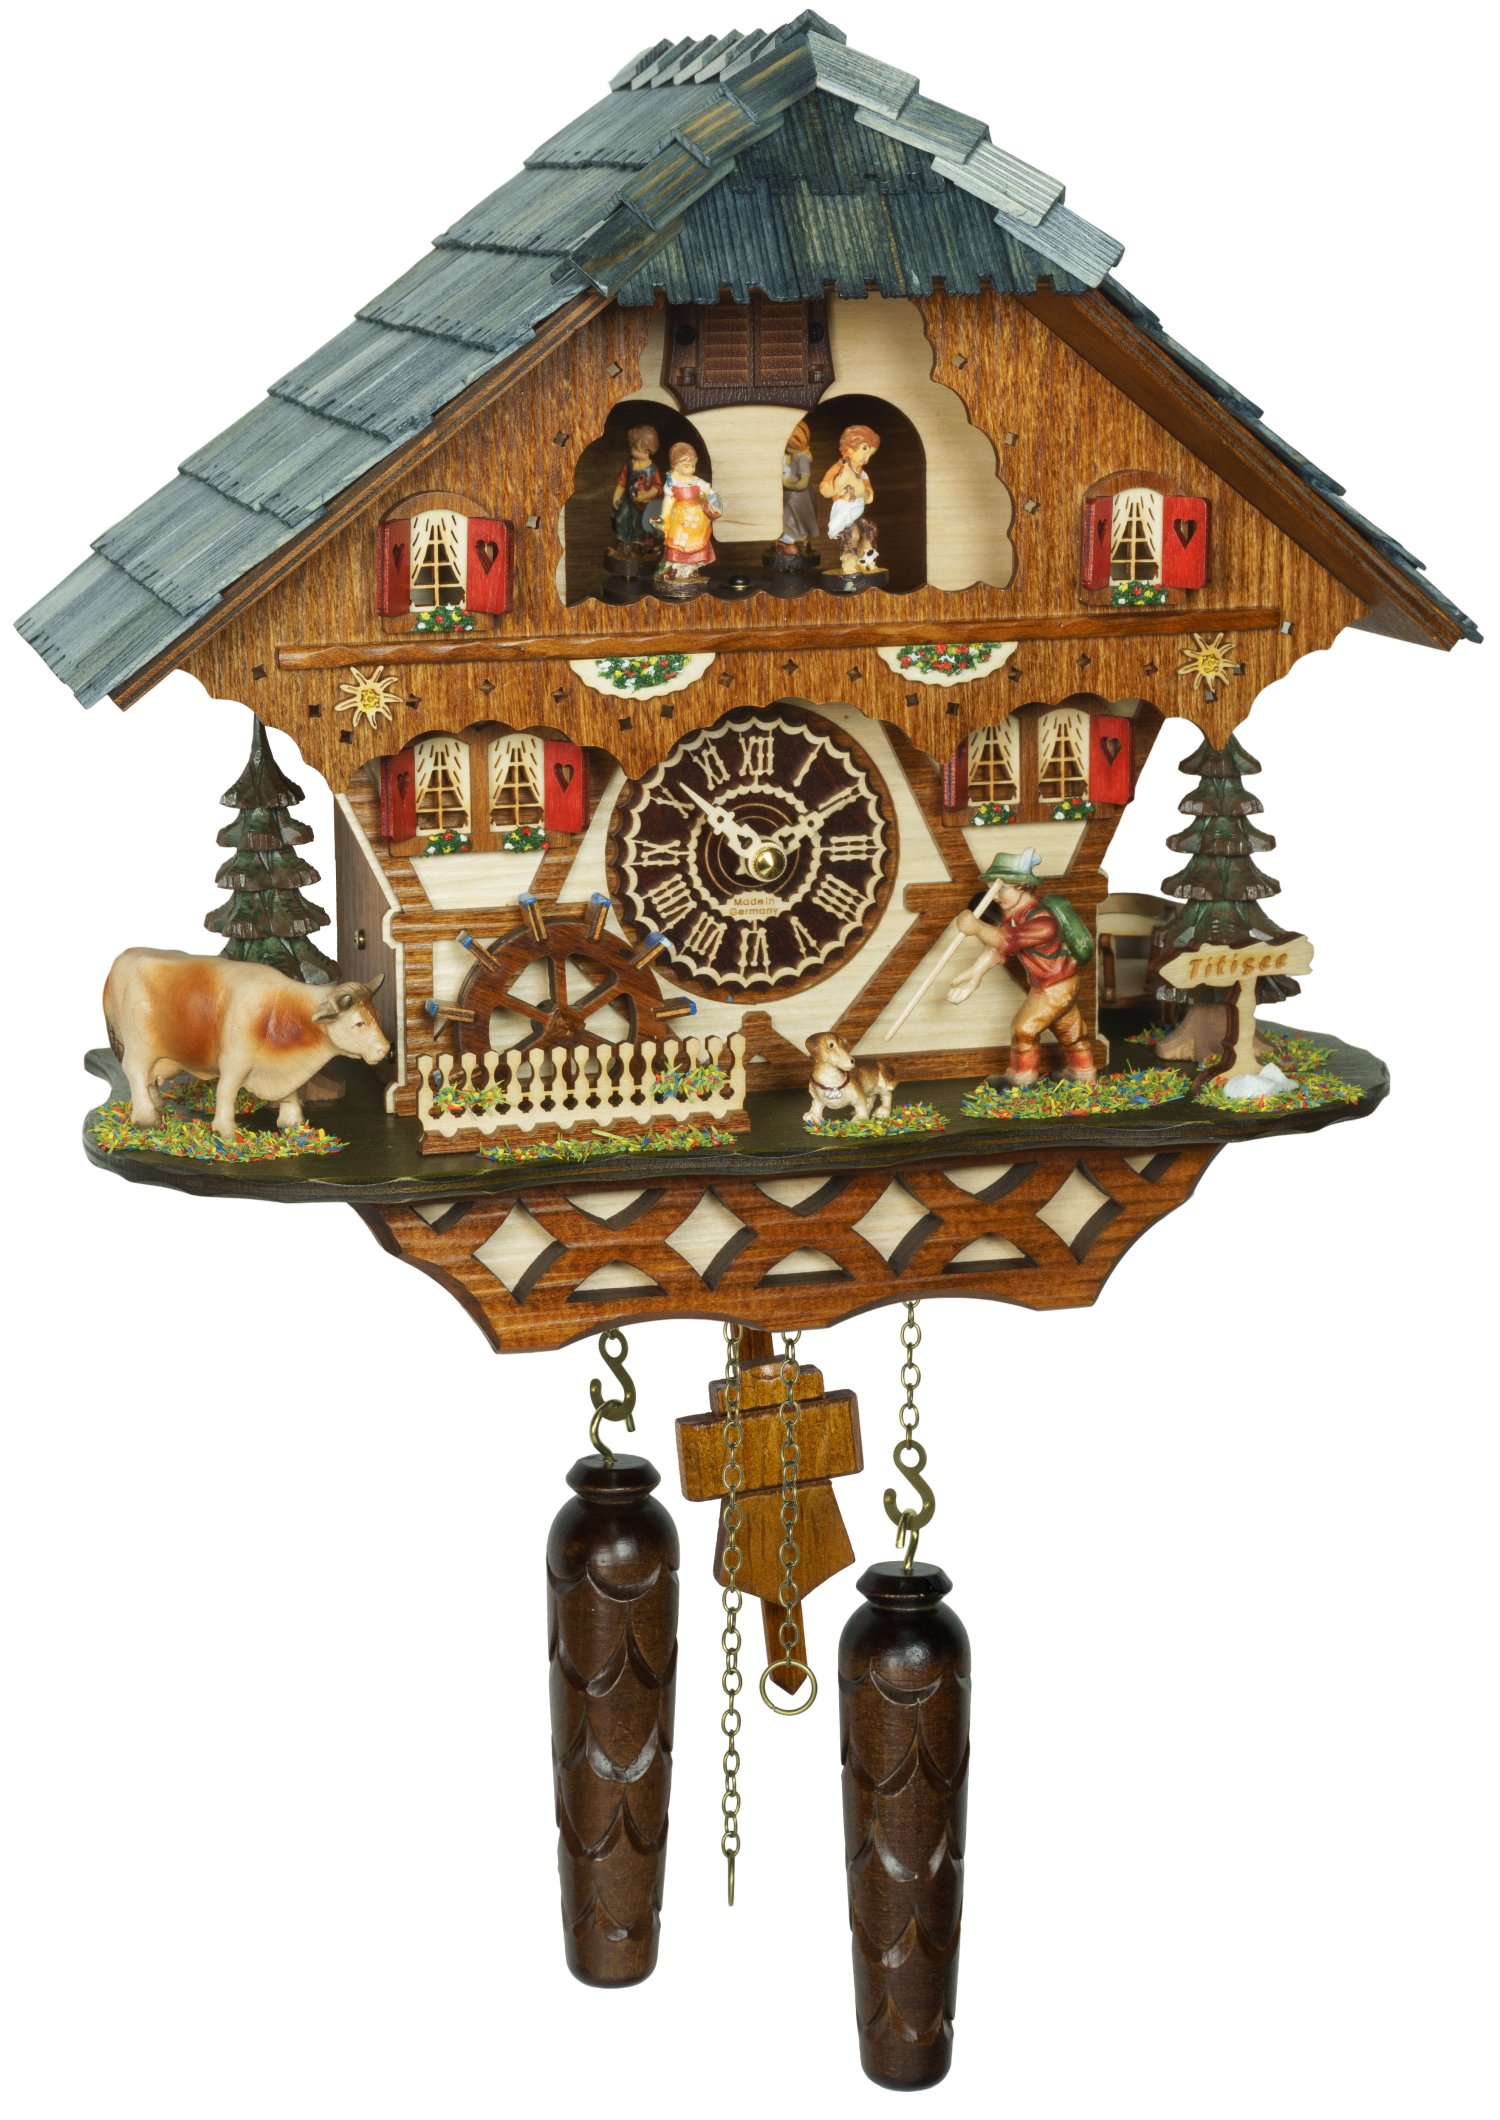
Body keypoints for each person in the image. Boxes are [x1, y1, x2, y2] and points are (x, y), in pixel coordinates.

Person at [947, 847, 1097, 1084]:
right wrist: (976, 972)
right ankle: (1083, 1072)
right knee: (1070, 1031)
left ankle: (1022, 1078)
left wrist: (977, 927)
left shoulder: (1042, 920)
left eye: (1000, 888)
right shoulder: (1014, 915)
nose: (994, 896)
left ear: (1021, 886)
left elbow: (1008, 941)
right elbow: (999, 948)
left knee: (1023, 1029)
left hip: (1054, 987)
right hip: (1059, 985)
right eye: (991, 889)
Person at [818, 423, 880, 574]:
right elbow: (825, 490)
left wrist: (862, 491)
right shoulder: (839, 469)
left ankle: (865, 560)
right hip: (844, 514)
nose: (866, 459)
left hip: (856, 513)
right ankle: (849, 563)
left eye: (870, 455)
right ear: (849, 448)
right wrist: (841, 482)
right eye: (864, 451)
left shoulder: (862, 474)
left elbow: (870, 497)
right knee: (853, 534)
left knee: (869, 529)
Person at [658, 442, 722, 580]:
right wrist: (663, 518)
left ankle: (690, 569)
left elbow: (710, 493)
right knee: (676, 544)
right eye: (687, 465)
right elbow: (668, 501)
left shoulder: (697, 482)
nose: (691, 469)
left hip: (697, 522)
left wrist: (712, 502)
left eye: (693, 465)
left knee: (696, 545)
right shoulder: (672, 483)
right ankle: (673, 568)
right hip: (679, 522)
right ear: (676, 465)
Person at [609, 425, 664, 550]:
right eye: (636, 449)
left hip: (643, 504)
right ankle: (624, 541)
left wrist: (646, 495)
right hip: (628, 501)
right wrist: (616, 497)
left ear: (650, 451)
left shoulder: (652, 468)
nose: (638, 453)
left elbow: (657, 487)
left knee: (639, 523)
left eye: (643, 451)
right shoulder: (629, 465)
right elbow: (622, 483)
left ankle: (638, 543)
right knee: (622, 518)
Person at [777, 420, 817, 550]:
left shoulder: (802, 457)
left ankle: (794, 536)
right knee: (784, 514)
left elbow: (803, 483)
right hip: (788, 492)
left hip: (797, 496)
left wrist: (786, 483)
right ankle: (790, 535)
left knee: (792, 515)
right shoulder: (788, 455)